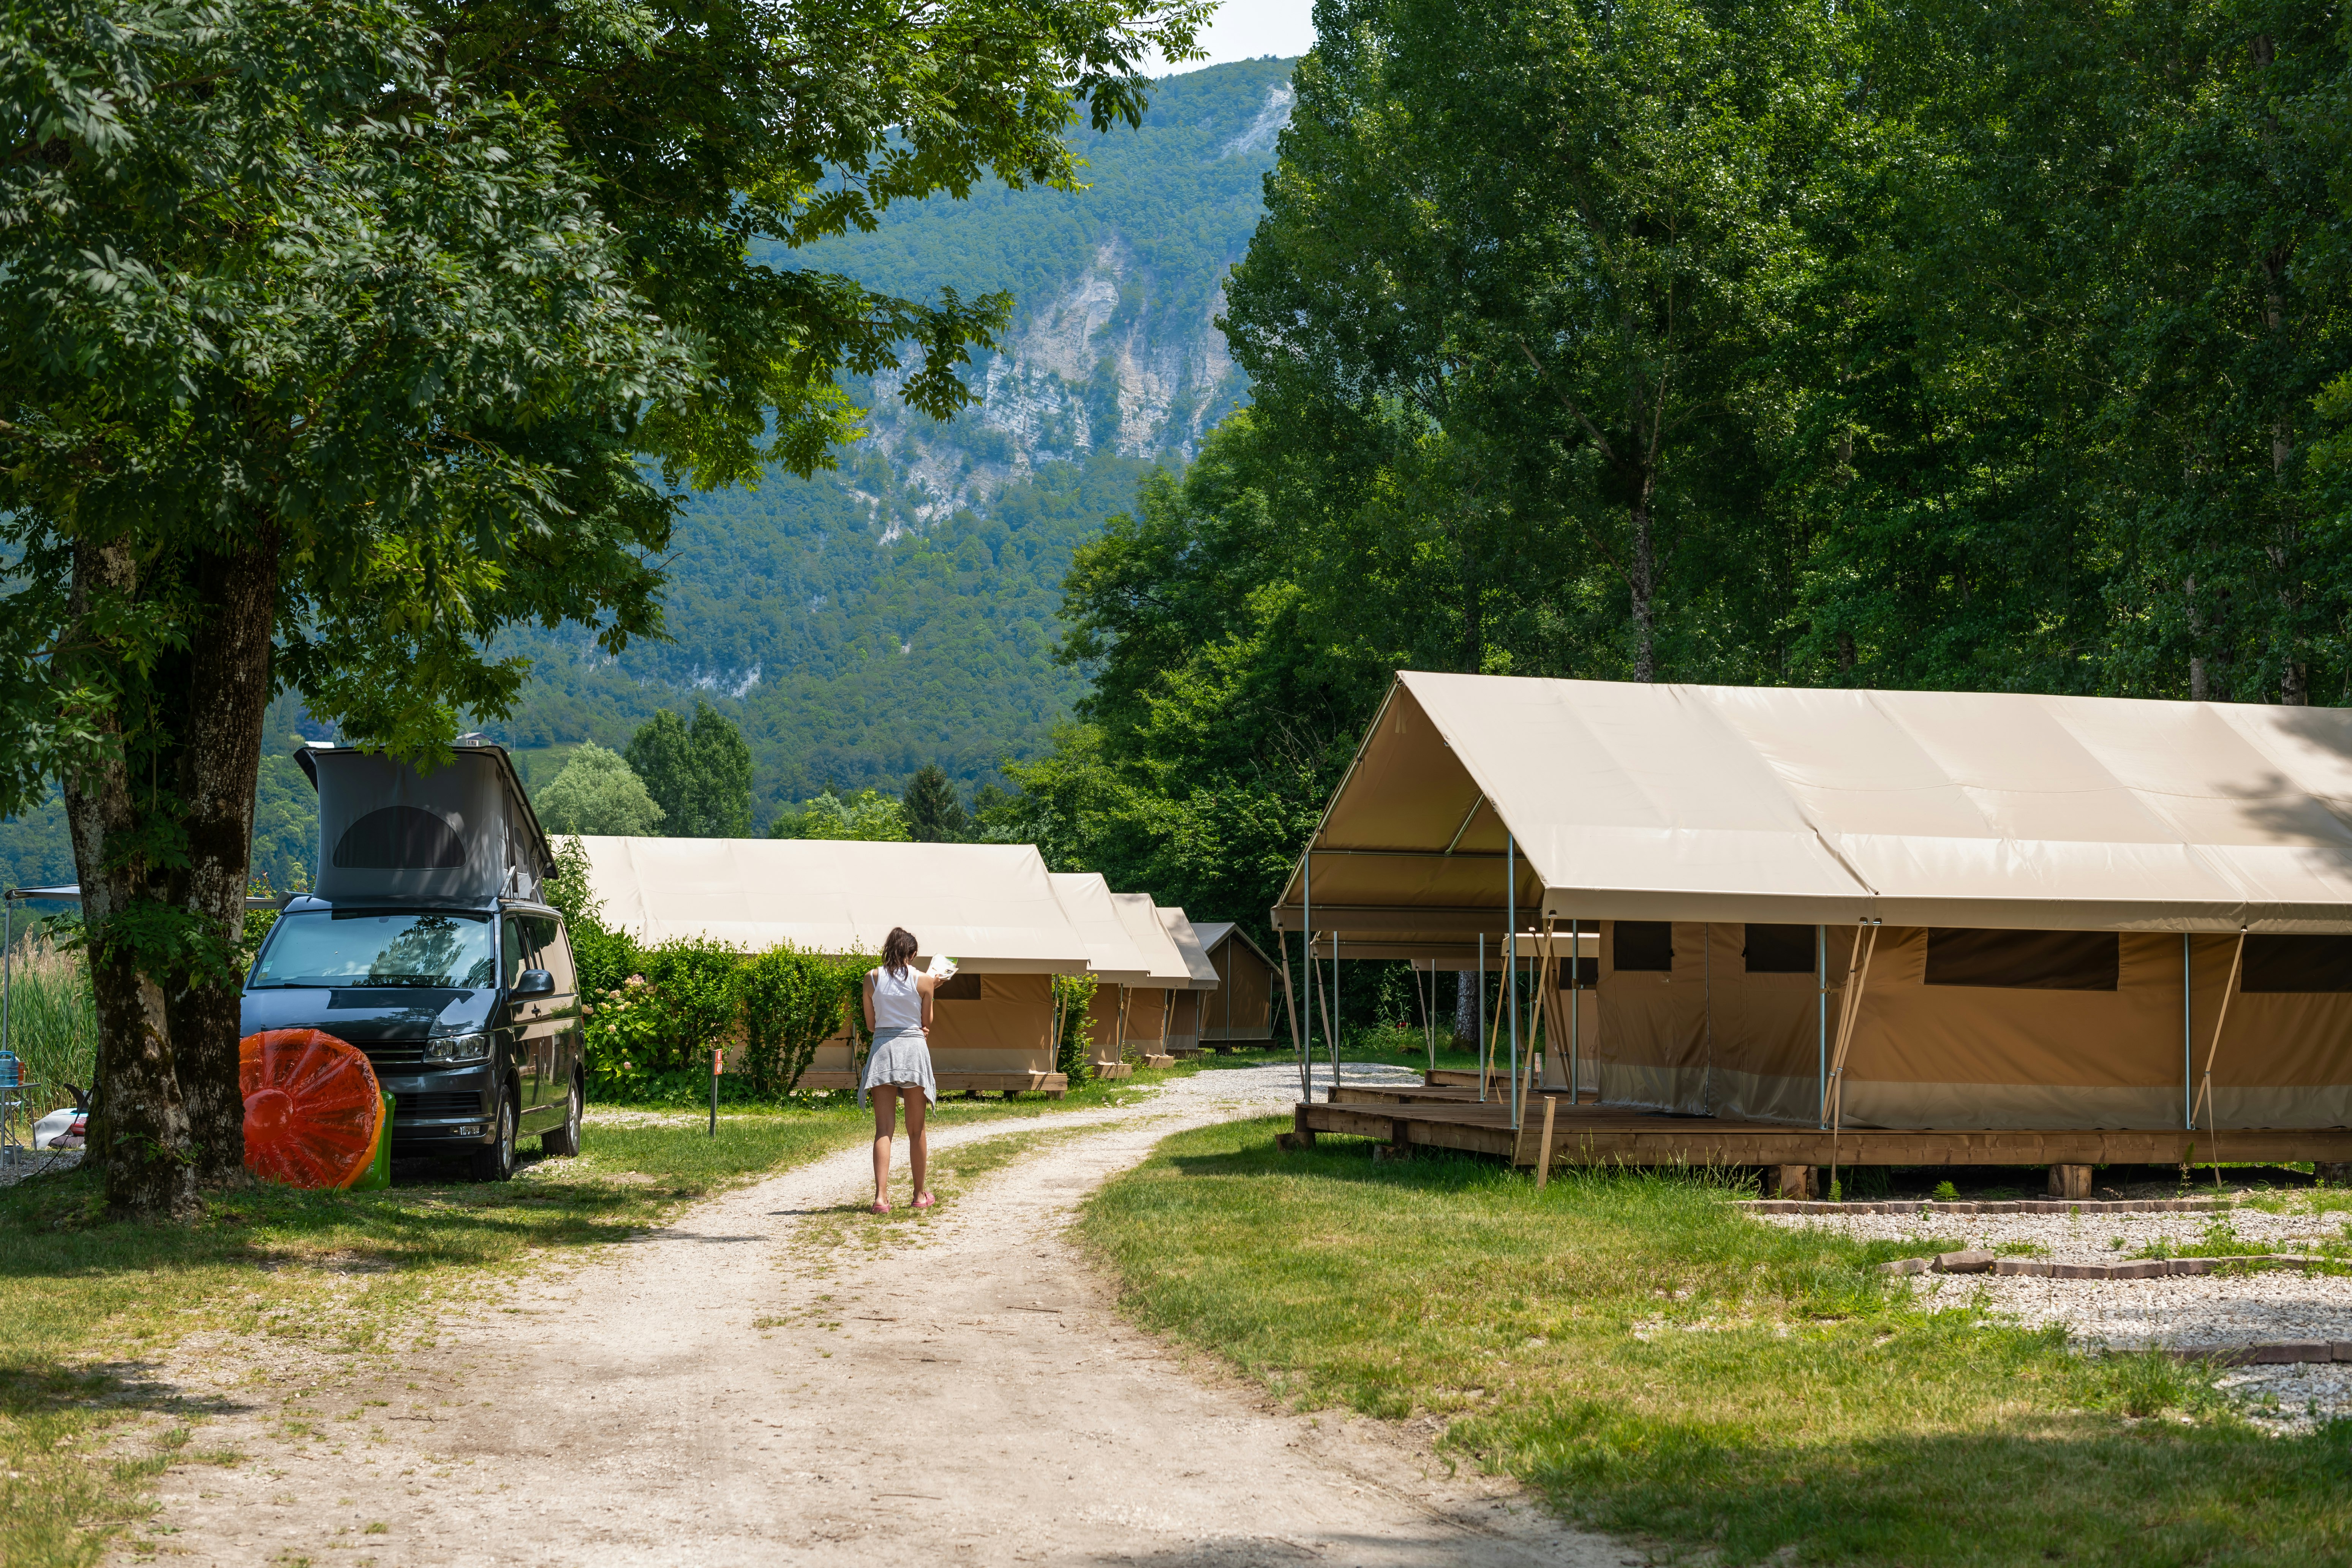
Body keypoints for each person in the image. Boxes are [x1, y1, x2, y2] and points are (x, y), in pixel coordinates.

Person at [861, 926, 944, 1214]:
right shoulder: (925, 981)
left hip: (883, 1050)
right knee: (916, 1129)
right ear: (913, 953)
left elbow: (871, 1025)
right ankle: (919, 1195)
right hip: (913, 1050)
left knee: (884, 1129)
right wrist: (931, 991)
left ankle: (881, 1198)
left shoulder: (871, 978)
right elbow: (926, 1022)